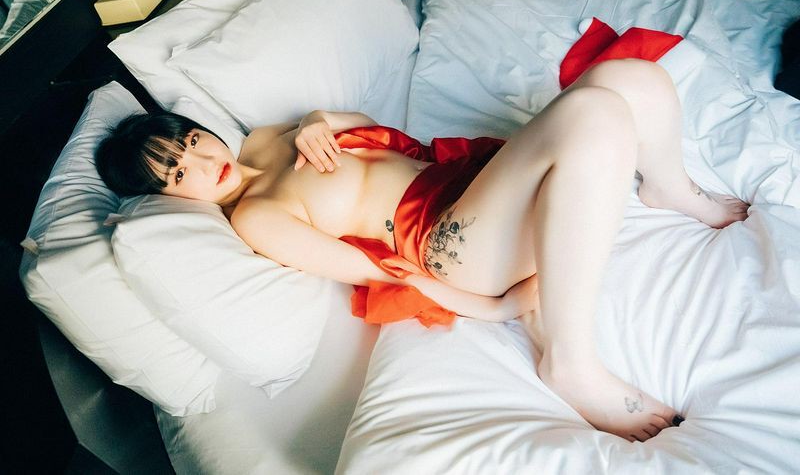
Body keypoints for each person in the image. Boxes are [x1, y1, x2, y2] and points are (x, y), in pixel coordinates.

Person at [96, 59, 749, 442]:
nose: (198, 163)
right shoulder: (257, 217)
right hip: (447, 239)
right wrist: (493, 307)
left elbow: (367, 133)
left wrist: (324, 121)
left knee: (627, 77)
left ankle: (667, 186)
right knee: (596, 113)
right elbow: (374, 269)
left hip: (463, 182)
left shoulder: (264, 140)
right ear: (169, 197)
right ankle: (572, 363)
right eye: (174, 174)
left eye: (188, 142)